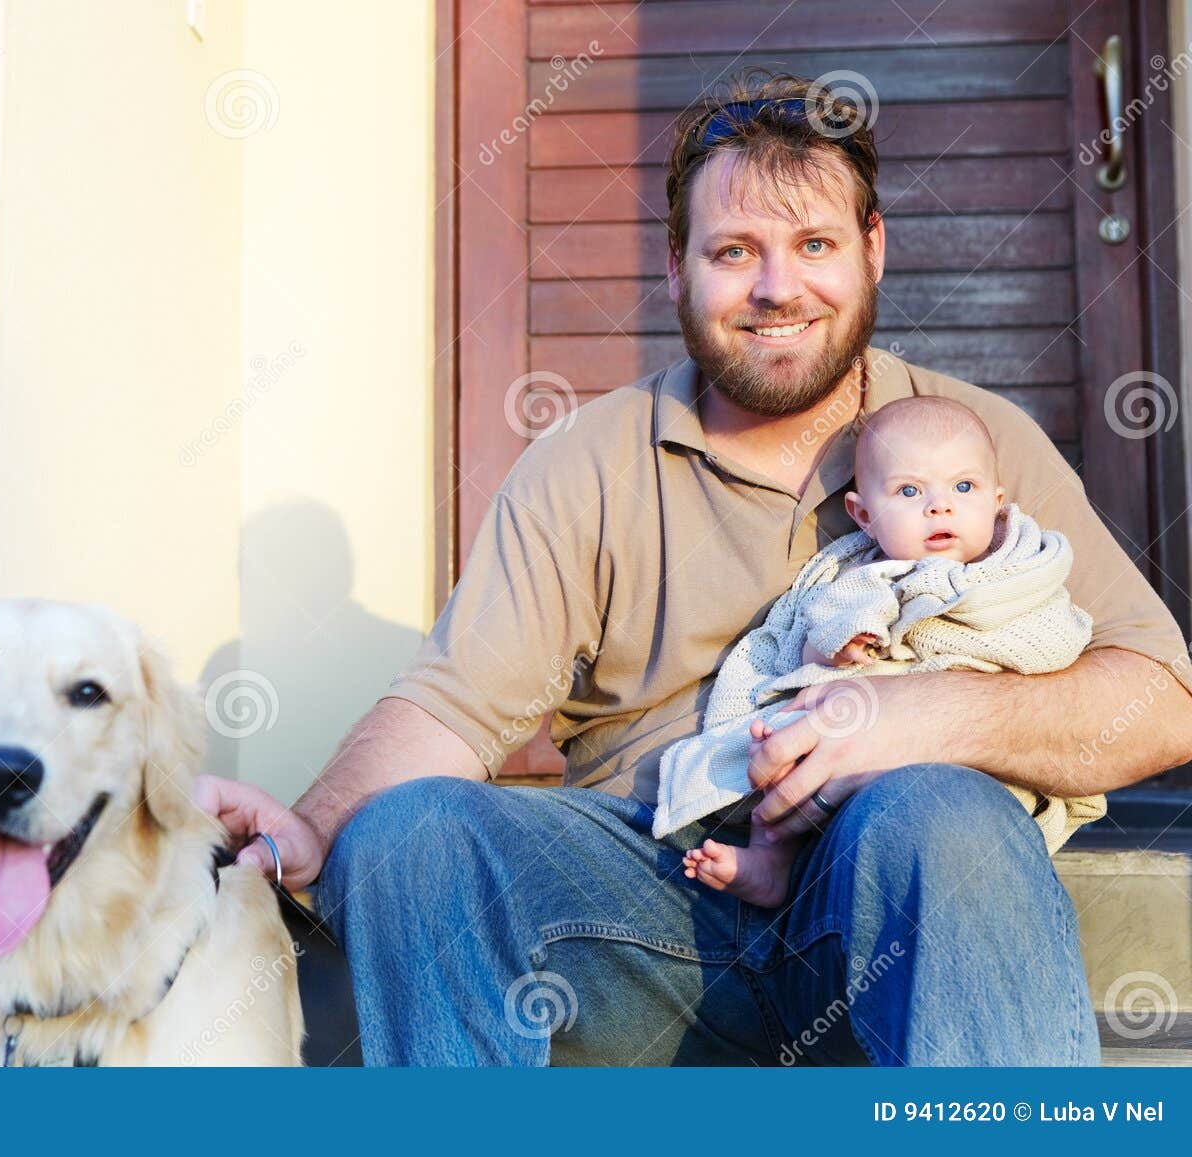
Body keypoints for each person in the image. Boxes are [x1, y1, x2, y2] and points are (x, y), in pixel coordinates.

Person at [194, 71, 1192, 1065]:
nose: (776, 288)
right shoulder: (589, 461)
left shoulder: (972, 445)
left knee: (941, 804)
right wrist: (315, 826)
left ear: (872, 249)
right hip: (642, 922)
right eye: (732, 252)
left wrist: (923, 714)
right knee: (405, 833)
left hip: (887, 922)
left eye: (813, 245)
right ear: (675, 268)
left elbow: (1161, 696)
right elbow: (452, 708)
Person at [678, 395, 1104, 907]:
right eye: (908, 491)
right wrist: (841, 644)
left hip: (960, 758)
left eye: (963, 487)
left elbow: (1056, 635)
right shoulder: (862, 575)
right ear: (864, 515)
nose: (939, 506)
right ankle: (770, 860)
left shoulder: (1021, 569)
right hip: (848, 733)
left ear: (997, 502)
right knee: (778, 752)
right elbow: (808, 642)